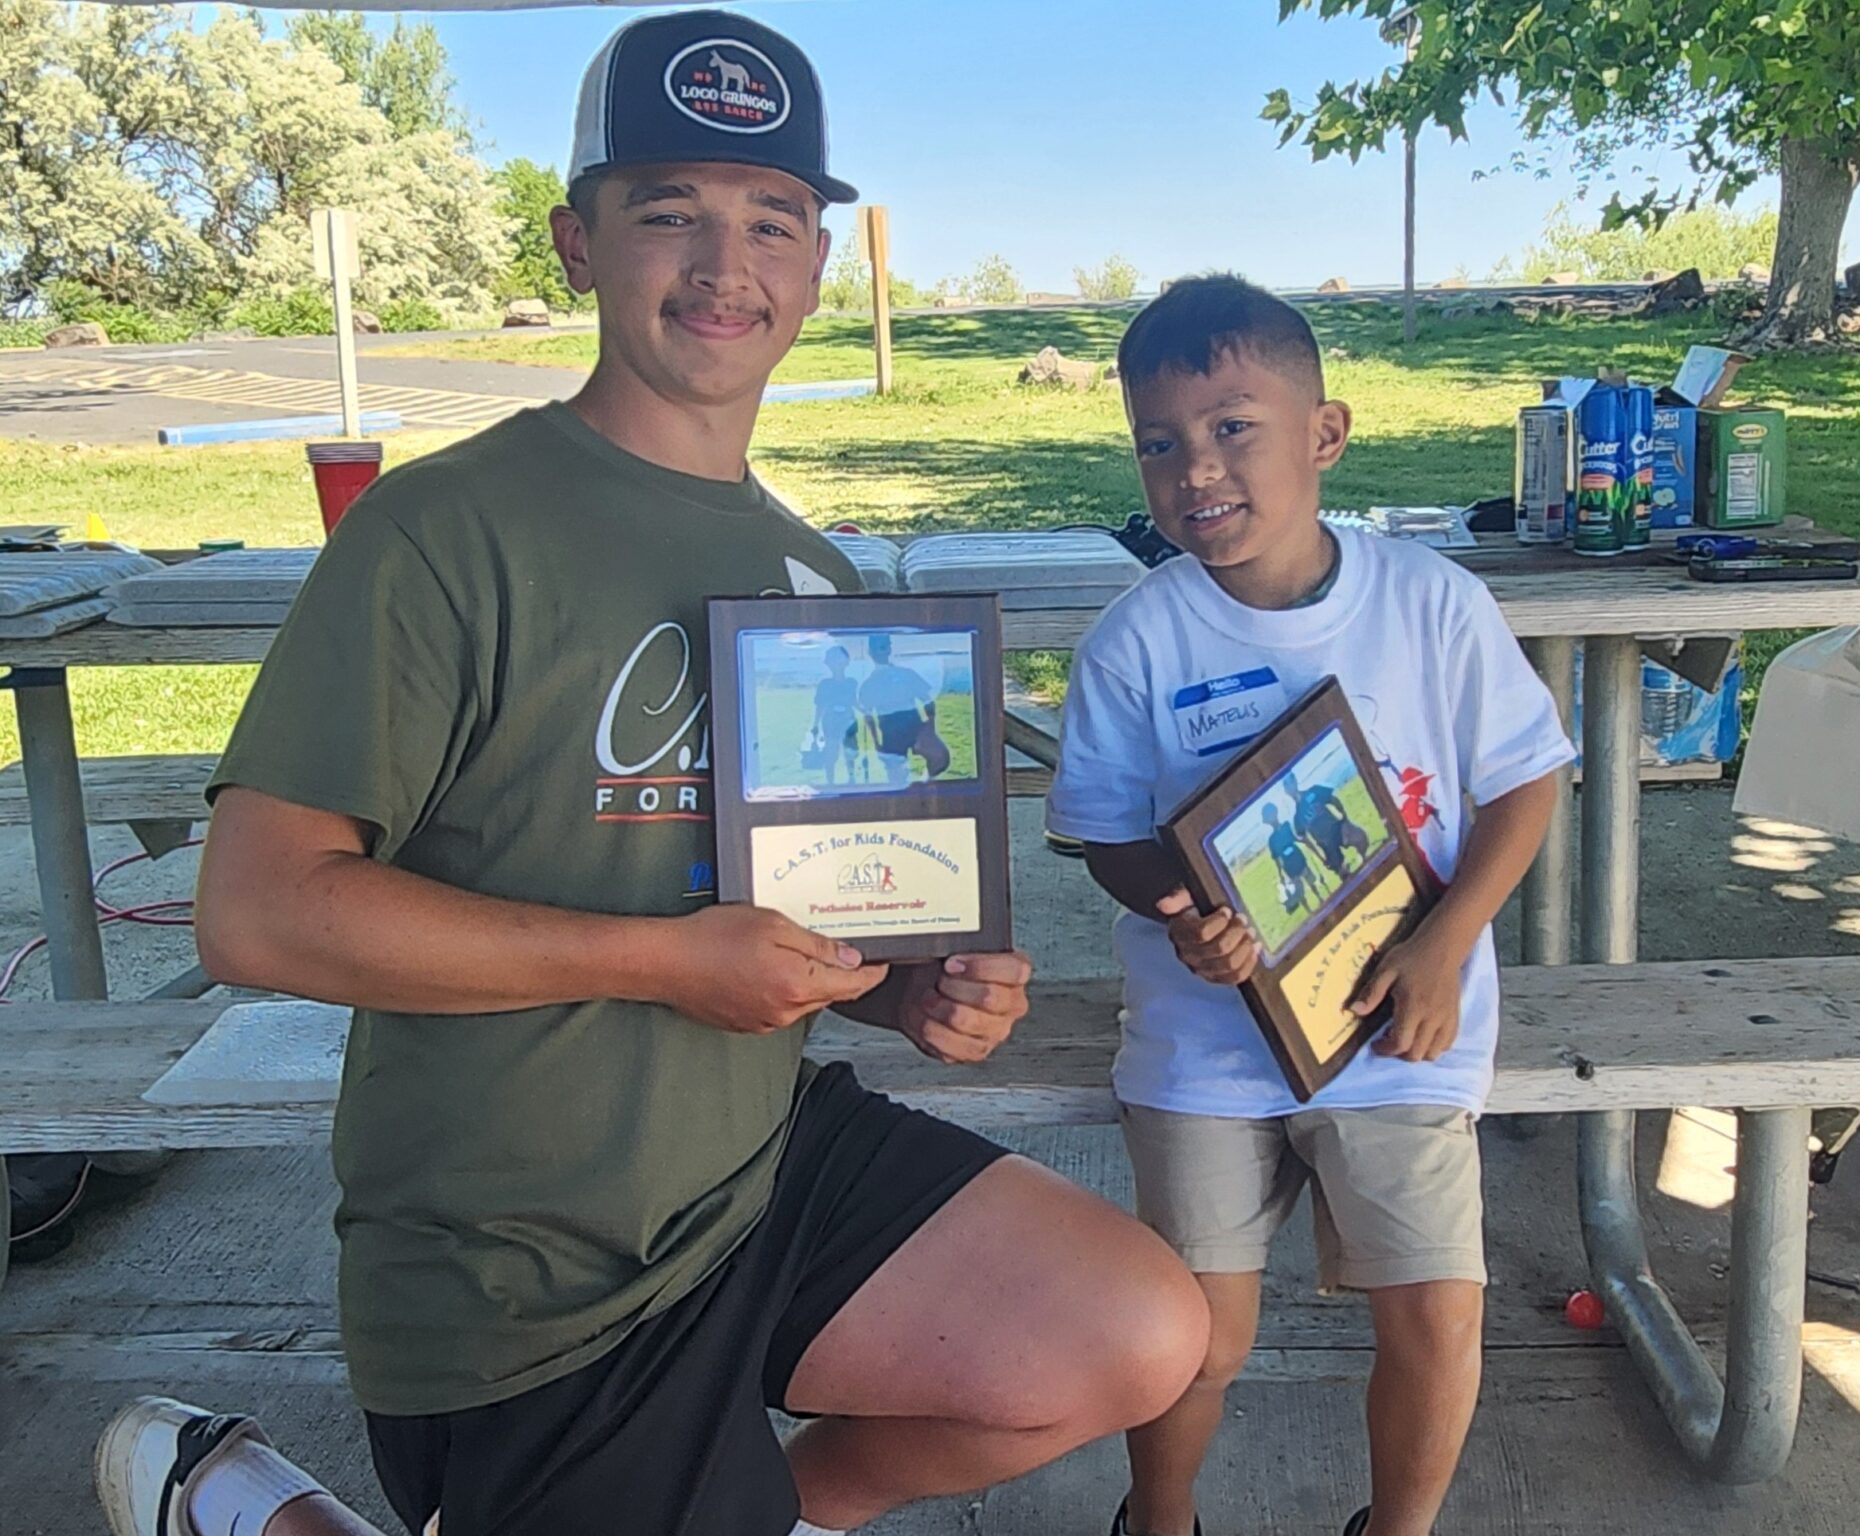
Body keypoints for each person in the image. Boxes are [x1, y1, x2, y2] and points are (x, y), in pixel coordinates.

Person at [95, 14, 1206, 1536]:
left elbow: (780, 914)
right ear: (576, 241)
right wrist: (664, 964)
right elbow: (259, 914)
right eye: (668, 210)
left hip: (756, 1174)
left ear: (820, 261)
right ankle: (244, 1504)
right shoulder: (443, 530)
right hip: (515, 1268)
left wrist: (888, 989)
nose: (724, 264)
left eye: (771, 221)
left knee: (1132, 1329)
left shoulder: (811, 575)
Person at [1045, 274, 1573, 1536]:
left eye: (1234, 428)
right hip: (1206, 1048)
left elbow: (1525, 779)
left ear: (1323, 435)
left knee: (1438, 1313)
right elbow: (1105, 835)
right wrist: (1181, 907)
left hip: (1397, 1034)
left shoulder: (1426, 602)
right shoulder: (1137, 639)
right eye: (1159, 443)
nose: (1195, 470)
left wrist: (1445, 945)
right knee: (1196, 1335)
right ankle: (1157, 1519)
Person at [857, 632, 950, 786]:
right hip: (890, 733)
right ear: (870, 652)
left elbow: (928, 700)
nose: (881, 651)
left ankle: (926, 784)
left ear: (889, 649)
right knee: (896, 779)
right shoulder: (868, 685)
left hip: (914, 726)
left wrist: (929, 730)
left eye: (884, 646)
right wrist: (876, 743)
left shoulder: (906, 674)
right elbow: (868, 716)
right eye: (877, 647)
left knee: (940, 758)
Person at [1288, 769, 1374, 878]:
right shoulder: (1297, 817)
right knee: (1344, 875)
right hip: (1326, 844)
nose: (1290, 786)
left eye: (1291, 781)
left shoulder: (1313, 791)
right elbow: (1306, 840)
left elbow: (1333, 800)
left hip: (1336, 829)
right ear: (1286, 791)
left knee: (1361, 838)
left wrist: (1346, 821)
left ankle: (1363, 860)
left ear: (1295, 781)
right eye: (1287, 785)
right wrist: (1321, 857)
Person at [1261, 799, 1325, 918]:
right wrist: (1281, 875)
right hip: (1289, 866)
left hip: (1298, 857)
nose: (1272, 818)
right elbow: (1276, 858)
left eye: (1272, 814)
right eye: (1269, 817)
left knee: (1310, 879)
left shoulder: (1286, 826)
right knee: (1298, 888)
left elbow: (1296, 838)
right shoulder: (1272, 840)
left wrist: (1304, 840)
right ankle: (1309, 911)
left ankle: (1320, 898)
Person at [810, 644, 862, 786]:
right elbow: (820, 706)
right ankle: (830, 781)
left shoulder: (851, 683)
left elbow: (854, 702)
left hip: (848, 719)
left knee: (849, 752)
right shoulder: (825, 684)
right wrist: (815, 725)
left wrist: (865, 711)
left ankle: (851, 779)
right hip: (831, 721)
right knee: (831, 751)